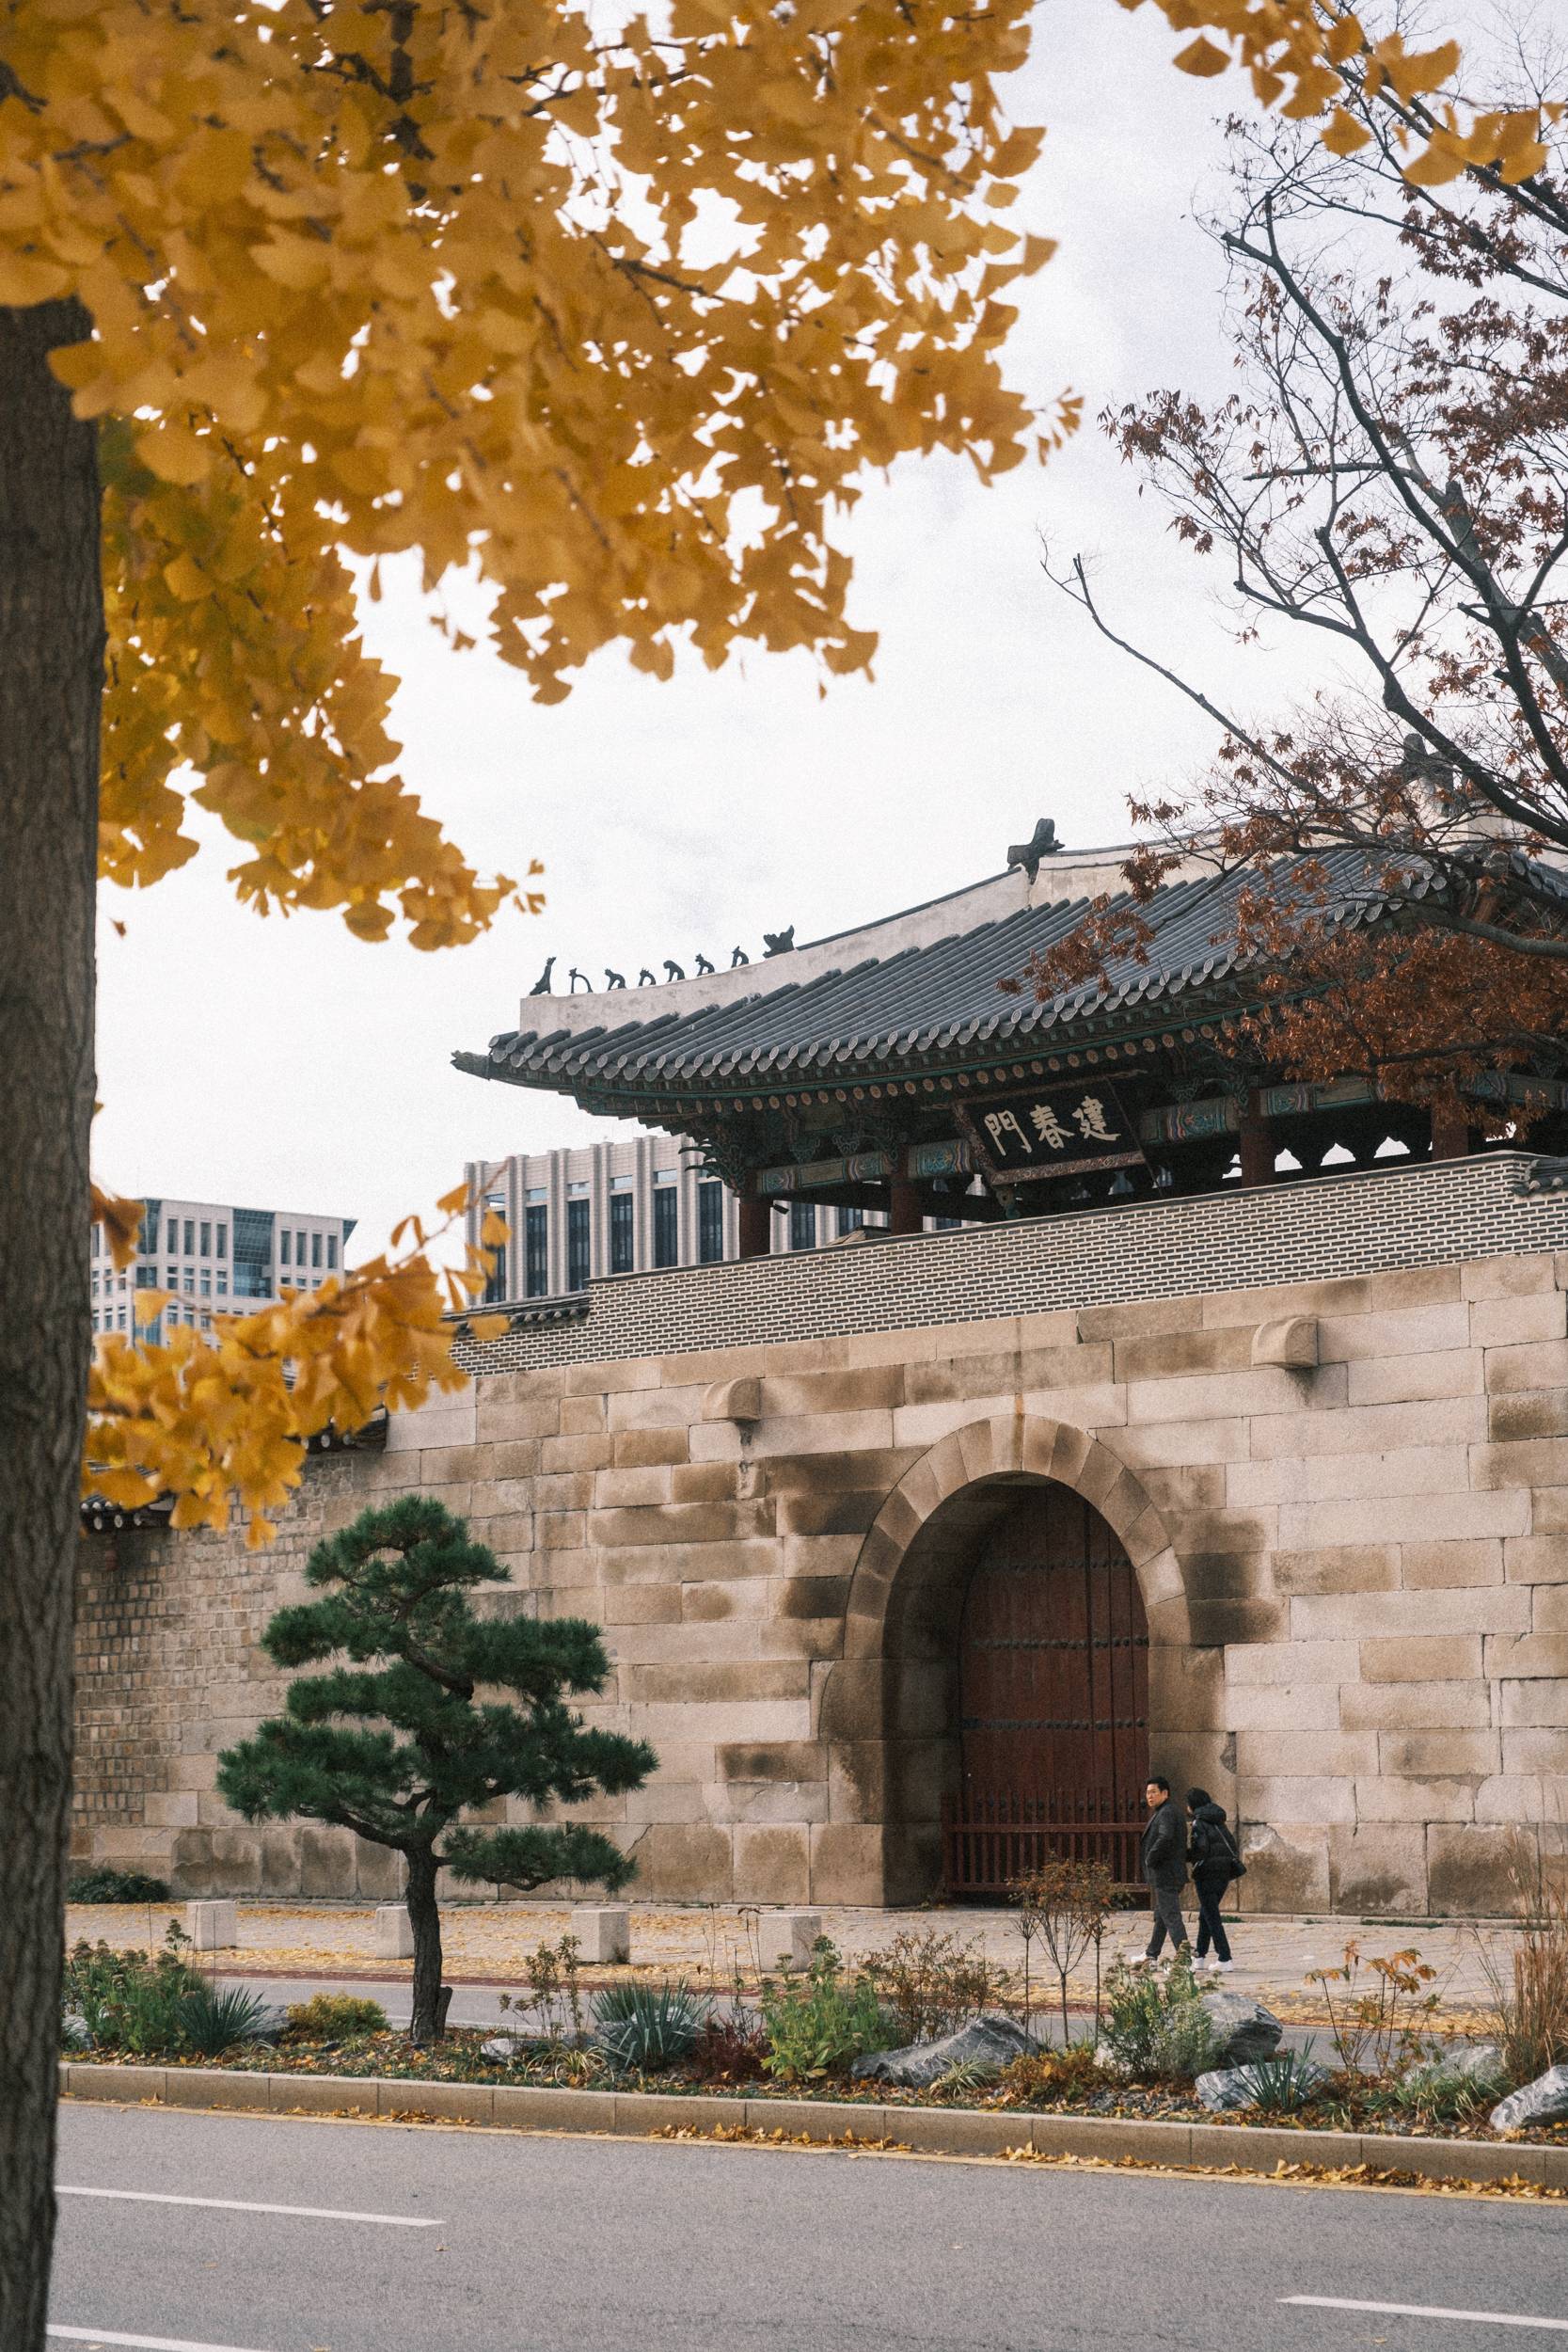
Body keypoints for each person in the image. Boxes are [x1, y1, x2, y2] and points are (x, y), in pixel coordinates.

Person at [1186, 1787, 1243, 1972]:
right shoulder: (1218, 1820)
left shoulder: (1198, 1822)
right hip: (1224, 1872)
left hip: (1207, 1874)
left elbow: (1199, 1850)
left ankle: (1224, 1956)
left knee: (1211, 1916)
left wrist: (1185, 1855)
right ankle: (1200, 1956)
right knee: (1206, 1914)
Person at [1138, 1773, 1189, 1963]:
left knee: (1171, 1916)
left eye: (1153, 1792)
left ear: (1165, 1793)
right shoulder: (1167, 1811)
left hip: (1166, 1874)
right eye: (1148, 1793)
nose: (1149, 1796)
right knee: (1161, 1915)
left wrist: (1151, 1858)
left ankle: (1185, 1959)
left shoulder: (1167, 1812)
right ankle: (1152, 1954)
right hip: (1169, 1873)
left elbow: (1165, 1838)